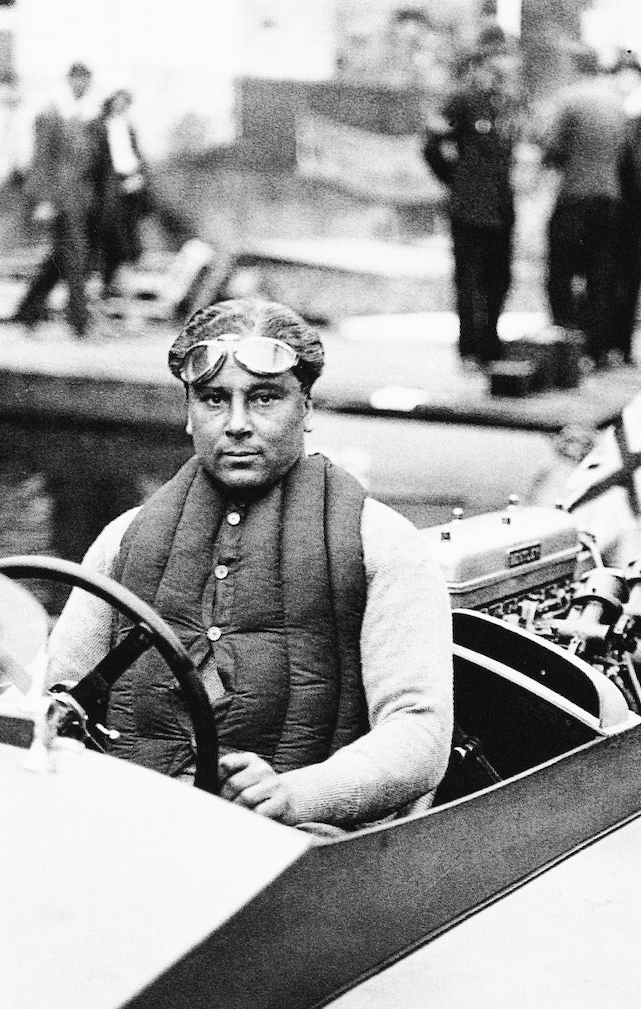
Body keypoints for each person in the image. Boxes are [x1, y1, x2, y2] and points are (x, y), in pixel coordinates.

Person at [46, 298, 453, 832]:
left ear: (306, 408)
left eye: (264, 398)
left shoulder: (381, 543)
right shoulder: (124, 540)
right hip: (128, 823)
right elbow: (56, 698)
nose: (236, 424)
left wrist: (295, 794)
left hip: (300, 849)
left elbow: (420, 734)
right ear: (187, 411)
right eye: (215, 399)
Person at [423, 46, 519, 372]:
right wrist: (454, 179)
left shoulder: (506, 104)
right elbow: (431, 144)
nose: (499, 75)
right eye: (494, 67)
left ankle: (491, 344)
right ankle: (469, 350)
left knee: (500, 278)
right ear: (480, 67)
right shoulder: (462, 101)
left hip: (501, 207)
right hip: (468, 208)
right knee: (469, 280)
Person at [541, 48, 627, 370]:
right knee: (600, 275)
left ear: (574, 65)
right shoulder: (616, 102)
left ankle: (565, 341)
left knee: (560, 271)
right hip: (609, 198)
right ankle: (597, 347)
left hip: (575, 194)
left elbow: (552, 147)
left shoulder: (570, 99)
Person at [11, 61, 100, 336]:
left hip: (77, 198)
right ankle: (79, 321)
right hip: (58, 198)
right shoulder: (51, 114)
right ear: (69, 80)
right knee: (74, 256)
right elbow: (41, 160)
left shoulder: (84, 116)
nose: (82, 85)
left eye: (86, 80)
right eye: (78, 79)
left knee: (61, 257)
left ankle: (28, 309)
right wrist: (42, 201)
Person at [91, 88, 152, 295]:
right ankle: (108, 282)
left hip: (130, 185)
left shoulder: (128, 126)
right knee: (111, 235)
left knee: (128, 234)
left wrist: (139, 178)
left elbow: (134, 155)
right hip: (110, 187)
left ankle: (116, 282)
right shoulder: (99, 126)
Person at [612, 54, 641, 365]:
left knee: (624, 277)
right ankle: (618, 344)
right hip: (622, 207)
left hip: (626, 208)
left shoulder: (632, 119)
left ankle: (617, 344)